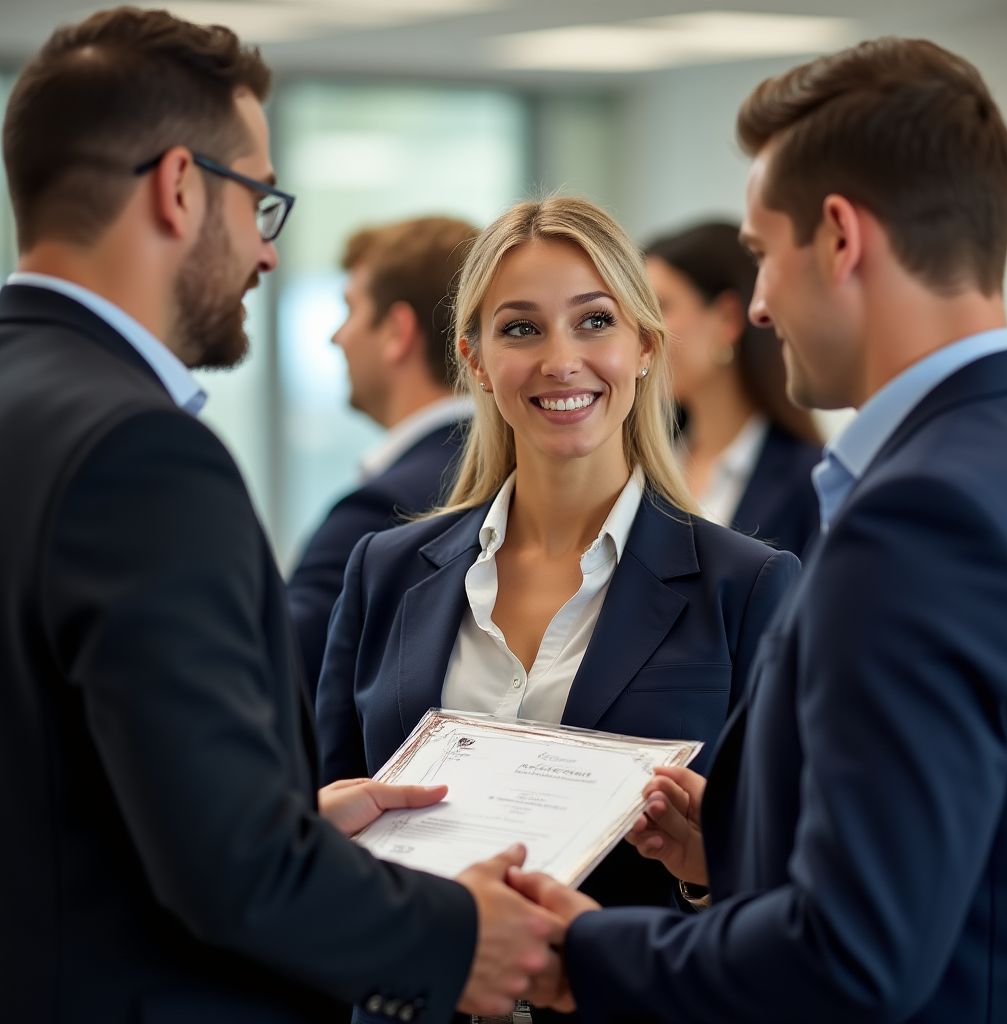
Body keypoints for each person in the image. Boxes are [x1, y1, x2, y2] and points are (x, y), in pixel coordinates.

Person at [0, 9, 561, 1023]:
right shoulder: (140, 452)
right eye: (260, 202)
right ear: (179, 187)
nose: (266, 258)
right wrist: (458, 935)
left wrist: (290, 821)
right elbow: (232, 871)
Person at [508, 36, 1007, 1023]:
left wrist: (582, 948)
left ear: (839, 237)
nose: (754, 305)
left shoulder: (919, 517)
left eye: (758, 254)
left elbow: (855, 954)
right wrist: (745, 841)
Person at [314, 196, 800, 1018]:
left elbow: (790, 896)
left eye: (594, 321)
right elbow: (311, 831)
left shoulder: (746, 587)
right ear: (473, 358)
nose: (561, 361)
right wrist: (316, 831)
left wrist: (706, 864)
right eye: (521, 329)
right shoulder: (387, 572)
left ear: (645, 346)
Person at [288, 215, 477, 697]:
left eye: (350, 309)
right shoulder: (528, 473)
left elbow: (280, 672)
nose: (338, 336)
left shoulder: (381, 512)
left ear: (396, 331)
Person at [645, 221, 822, 555]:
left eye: (660, 307)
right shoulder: (643, 466)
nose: (640, 332)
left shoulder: (813, 483)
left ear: (727, 319)